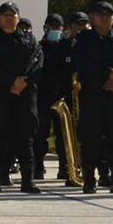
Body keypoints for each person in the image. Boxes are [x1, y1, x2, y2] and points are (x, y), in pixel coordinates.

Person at [72, 1, 113, 195]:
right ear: (92, 17)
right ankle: (89, 180)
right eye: (100, 14)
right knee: (91, 139)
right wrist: (108, 74)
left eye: (108, 15)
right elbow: (82, 65)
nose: (104, 17)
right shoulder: (84, 39)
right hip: (93, 96)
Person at [0, 2, 44, 194]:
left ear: (18, 18)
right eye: (5, 15)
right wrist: (11, 82)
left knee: (25, 140)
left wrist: (22, 82)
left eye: (13, 15)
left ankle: (28, 180)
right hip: (1, 95)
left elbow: (38, 62)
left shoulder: (30, 40)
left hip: (25, 96)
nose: (9, 18)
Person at [36, 13, 76, 184]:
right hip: (43, 96)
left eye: (58, 26)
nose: (55, 29)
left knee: (63, 135)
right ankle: (37, 166)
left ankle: (64, 168)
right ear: (45, 27)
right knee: (41, 133)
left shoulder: (67, 47)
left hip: (62, 96)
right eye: (51, 26)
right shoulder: (39, 47)